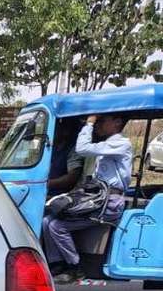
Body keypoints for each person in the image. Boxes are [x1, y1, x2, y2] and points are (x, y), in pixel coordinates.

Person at [42, 113, 132, 282]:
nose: (98, 124)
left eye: (102, 120)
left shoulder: (120, 143)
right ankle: (57, 265)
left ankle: (75, 268)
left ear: (118, 121)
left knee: (57, 226)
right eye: (97, 121)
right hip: (98, 198)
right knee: (47, 220)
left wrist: (89, 123)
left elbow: (82, 148)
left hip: (109, 203)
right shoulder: (106, 145)